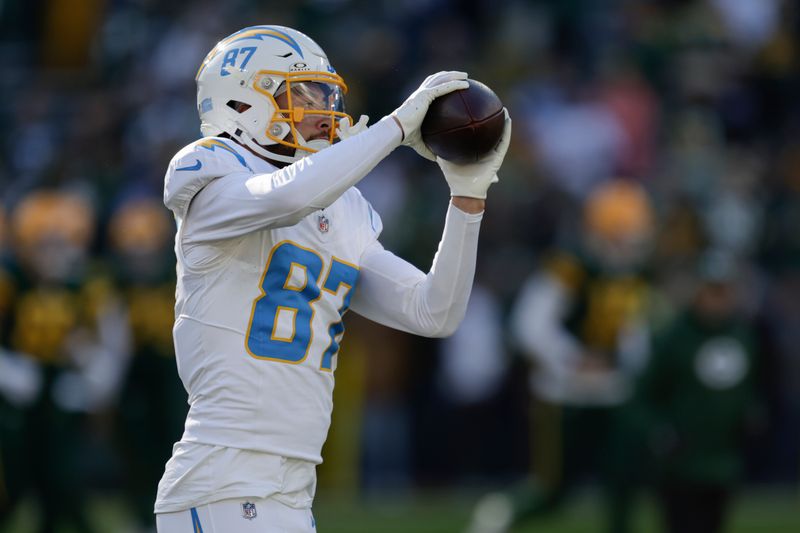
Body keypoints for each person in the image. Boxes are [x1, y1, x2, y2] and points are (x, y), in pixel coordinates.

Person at [155, 25, 511, 532]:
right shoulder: (208, 167)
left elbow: (435, 312)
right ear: (238, 104)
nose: (321, 108)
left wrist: (468, 198)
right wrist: (391, 128)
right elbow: (282, 199)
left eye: (325, 93)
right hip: (224, 477)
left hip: (292, 489)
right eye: (301, 93)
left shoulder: (342, 206)